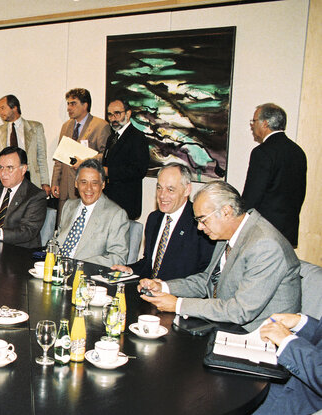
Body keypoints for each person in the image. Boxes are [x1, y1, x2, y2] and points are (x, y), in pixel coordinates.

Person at [139, 181, 300, 332]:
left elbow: (241, 311)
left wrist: (178, 304)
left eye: (202, 220)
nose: (200, 228)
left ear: (226, 212)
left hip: (257, 336)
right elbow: (207, 281)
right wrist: (164, 287)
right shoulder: (228, 234)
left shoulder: (264, 245)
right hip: (227, 324)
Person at [179, 312, 321, 415]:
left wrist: (288, 342)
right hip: (292, 379)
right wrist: (301, 322)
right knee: (209, 389)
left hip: (303, 409)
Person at [112, 163, 214, 280]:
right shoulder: (154, 218)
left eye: (170, 190)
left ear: (187, 190)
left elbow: (203, 275)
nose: (162, 195)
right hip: (149, 291)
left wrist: (166, 289)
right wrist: (131, 270)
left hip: (178, 295)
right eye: (159, 188)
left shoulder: (200, 224)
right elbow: (149, 263)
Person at [242, 103, 307, 247]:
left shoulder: (262, 152)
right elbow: (299, 194)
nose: (252, 125)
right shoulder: (298, 152)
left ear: (265, 123)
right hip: (287, 233)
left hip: (264, 234)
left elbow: (252, 197)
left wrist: (240, 226)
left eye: (254, 121)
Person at [0, 95, 50, 195]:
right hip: (7, 179)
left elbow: (41, 157)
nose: (0, 113)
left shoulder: (35, 128)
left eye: (3, 108)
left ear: (14, 107)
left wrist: (45, 183)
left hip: (30, 179)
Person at [55, 159, 129, 266]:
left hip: (86, 275)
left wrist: (78, 264)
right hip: (57, 269)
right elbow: (57, 242)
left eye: (94, 183)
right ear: (76, 184)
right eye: (83, 182)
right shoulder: (69, 206)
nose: (88, 188)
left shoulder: (116, 215)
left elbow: (118, 258)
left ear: (102, 185)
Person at [50, 89, 111, 214]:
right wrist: (55, 181)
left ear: (85, 105)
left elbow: (105, 156)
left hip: (86, 187)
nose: (68, 108)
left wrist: (85, 161)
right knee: (63, 223)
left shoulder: (100, 126)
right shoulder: (66, 126)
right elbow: (59, 157)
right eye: (68, 104)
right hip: (65, 186)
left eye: (73, 104)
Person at [102, 98, 149, 220]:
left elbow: (139, 170)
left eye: (117, 113)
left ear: (128, 114)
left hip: (126, 204)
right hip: (109, 202)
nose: (113, 118)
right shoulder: (111, 138)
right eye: (110, 115)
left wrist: (109, 172)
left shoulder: (137, 137)